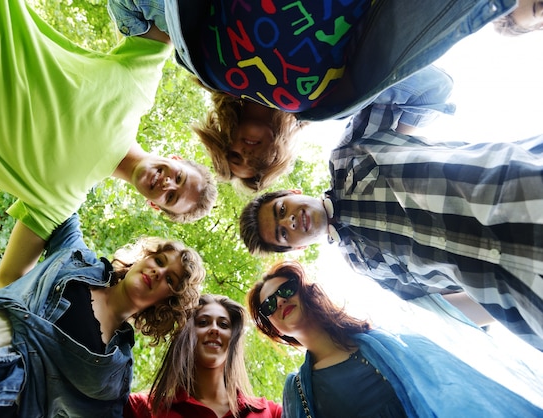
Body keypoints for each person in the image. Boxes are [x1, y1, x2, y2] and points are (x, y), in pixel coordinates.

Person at [239, 63, 543, 350]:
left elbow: (429, 88)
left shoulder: (348, 154)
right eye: (282, 234)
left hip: (521, 190)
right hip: (527, 287)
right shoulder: (364, 266)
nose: (289, 222)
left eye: (281, 210)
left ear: (293, 191)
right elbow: (443, 309)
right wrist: (512, 307)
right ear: (295, 249)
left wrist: (398, 140)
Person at [0, 0, 217, 288]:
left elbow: (10, 278)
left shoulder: (60, 201)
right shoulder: (137, 88)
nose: (167, 183)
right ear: (176, 158)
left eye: (172, 197)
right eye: (178, 177)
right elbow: (170, 17)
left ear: (154, 206)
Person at [108, 0, 539, 191]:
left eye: (233, 158)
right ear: (273, 157)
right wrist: (395, 143)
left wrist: (152, 39)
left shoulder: (202, 66)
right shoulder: (322, 104)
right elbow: (434, 90)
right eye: (252, 164)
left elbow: (127, 6)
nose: (245, 153)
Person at [0, 213, 206, 418]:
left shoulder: (116, 374)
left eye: (170, 279)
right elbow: (61, 194)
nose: (157, 271)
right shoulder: (77, 257)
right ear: (143, 258)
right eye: (158, 260)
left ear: (169, 302)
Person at [247, 260, 542, 417]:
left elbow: (448, 326)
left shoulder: (385, 338)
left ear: (304, 290)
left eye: (285, 289)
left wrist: (519, 291)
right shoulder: (297, 390)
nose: (279, 302)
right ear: (273, 327)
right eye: (268, 305)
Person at [123, 294, 282, 418]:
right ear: (187, 335)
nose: (214, 329)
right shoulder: (144, 408)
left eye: (223, 324)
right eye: (203, 322)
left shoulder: (271, 413)